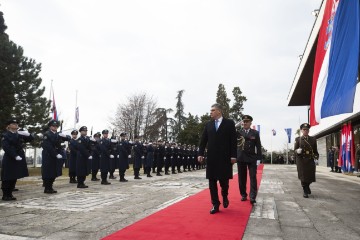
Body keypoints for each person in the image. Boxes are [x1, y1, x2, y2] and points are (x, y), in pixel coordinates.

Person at [198, 103, 237, 214]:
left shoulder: (229, 123)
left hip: (225, 158)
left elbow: (233, 141)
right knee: (212, 181)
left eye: (213, 110)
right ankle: (215, 204)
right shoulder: (208, 125)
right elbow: (203, 140)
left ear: (219, 111)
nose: (211, 112)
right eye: (211, 110)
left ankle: (225, 196)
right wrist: (200, 153)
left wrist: (233, 156)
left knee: (224, 182)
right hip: (212, 158)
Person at [1, 119, 34, 200]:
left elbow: (31, 139)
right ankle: (5, 194)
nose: (16, 125)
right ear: (8, 126)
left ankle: (10, 194)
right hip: (10, 158)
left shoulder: (19, 134)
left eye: (16, 124)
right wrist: (15, 155)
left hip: (18, 157)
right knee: (7, 177)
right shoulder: (5, 135)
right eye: (13, 124)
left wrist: (28, 134)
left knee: (14, 176)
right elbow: (6, 147)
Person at [237, 115, 262, 204]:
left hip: (251, 158)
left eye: (247, 121)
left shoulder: (255, 133)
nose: (245, 123)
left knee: (253, 177)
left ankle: (252, 196)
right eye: (244, 121)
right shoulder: (238, 132)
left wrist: (259, 158)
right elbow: (229, 133)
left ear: (250, 123)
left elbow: (258, 146)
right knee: (241, 178)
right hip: (241, 157)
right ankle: (243, 194)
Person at [42, 120, 70, 193]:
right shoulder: (47, 134)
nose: (55, 127)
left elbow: (68, 138)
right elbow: (48, 146)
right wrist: (56, 154)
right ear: (50, 126)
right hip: (49, 155)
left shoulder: (58, 134)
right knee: (49, 172)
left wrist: (65, 136)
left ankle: (50, 187)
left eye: (56, 126)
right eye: (53, 126)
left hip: (56, 155)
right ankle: (47, 188)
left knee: (54, 172)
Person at [294, 123, 319, 198]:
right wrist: (297, 151)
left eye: (307, 129)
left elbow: (315, 151)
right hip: (301, 160)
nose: (305, 131)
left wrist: (316, 158)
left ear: (309, 130)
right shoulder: (298, 139)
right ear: (301, 130)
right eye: (304, 129)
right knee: (303, 176)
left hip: (310, 160)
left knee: (310, 176)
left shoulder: (313, 139)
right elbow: (294, 150)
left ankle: (307, 186)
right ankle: (305, 190)